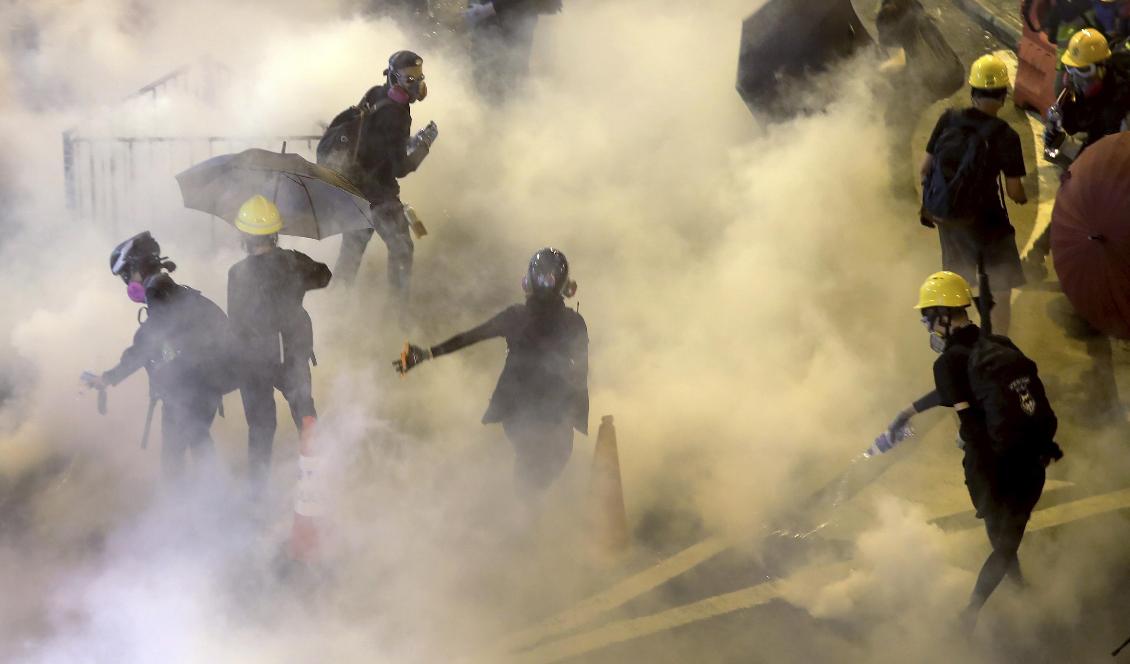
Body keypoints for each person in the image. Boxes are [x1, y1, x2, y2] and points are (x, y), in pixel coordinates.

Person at [878, 272, 1062, 631]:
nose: (926, 326)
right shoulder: (998, 344)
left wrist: (973, 458)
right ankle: (1021, 590)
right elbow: (955, 392)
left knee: (1001, 541)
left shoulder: (947, 362)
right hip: (1033, 457)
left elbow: (967, 421)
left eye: (927, 317)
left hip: (994, 466)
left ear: (943, 314)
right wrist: (909, 411)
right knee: (1008, 537)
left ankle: (971, 613)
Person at [393, 248, 588, 495]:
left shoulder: (515, 316)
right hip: (555, 412)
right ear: (566, 287)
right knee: (545, 467)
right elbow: (581, 373)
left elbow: (469, 337)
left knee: (530, 465)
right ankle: (525, 508)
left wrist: (427, 354)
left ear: (527, 282)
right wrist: (575, 410)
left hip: (518, 409)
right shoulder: (574, 323)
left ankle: (522, 507)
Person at [83, 232, 237, 482]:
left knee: (176, 453)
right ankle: (213, 501)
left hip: (194, 385)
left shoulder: (158, 293)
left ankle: (190, 508)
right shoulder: (173, 290)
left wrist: (110, 377)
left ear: (137, 269)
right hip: (205, 383)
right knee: (197, 441)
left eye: (126, 276)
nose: (127, 285)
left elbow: (147, 341)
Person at [227, 196, 332, 495]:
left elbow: (235, 322)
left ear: (244, 238)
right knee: (304, 412)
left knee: (260, 428)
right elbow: (325, 275)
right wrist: (290, 264)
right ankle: (319, 481)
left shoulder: (236, 273)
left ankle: (257, 496)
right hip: (292, 354)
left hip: (254, 360)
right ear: (275, 233)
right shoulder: (293, 262)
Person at [919, 55, 1028, 335]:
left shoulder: (949, 119)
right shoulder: (1005, 135)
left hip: (949, 219)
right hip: (988, 223)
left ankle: (955, 337)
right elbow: (1014, 191)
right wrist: (1022, 197)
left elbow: (925, 169)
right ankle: (997, 342)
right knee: (1000, 289)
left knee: (957, 285)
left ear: (972, 91)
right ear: (1003, 95)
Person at [330, 50, 439, 312]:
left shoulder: (373, 94)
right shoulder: (398, 114)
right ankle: (396, 316)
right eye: (408, 78)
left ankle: (334, 309)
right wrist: (424, 145)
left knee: (351, 253)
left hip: (355, 189)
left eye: (418, 76)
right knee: (402, 250)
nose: (415, 84)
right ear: (392, 77)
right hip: (379, 196)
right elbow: (400, 167)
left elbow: (379, 143)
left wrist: (409, 141)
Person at [1025, 29, 1130, 277]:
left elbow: (1115, 146)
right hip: (1102, 145)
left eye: (1083, 72)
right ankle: (1039, 252)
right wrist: (1061, 138)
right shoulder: (1074, 96)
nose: (1077, 78)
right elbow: (1068, 138)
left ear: (1102, 67)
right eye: (1072, 70)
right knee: (1074, 198)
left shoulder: (1123, 98)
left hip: (1119, 149)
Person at [464, 0, 563, 100]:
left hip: (507, 20)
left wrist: (486, 9)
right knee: (494, 79)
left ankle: (507, 109)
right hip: (496, 19)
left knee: (505, 78)